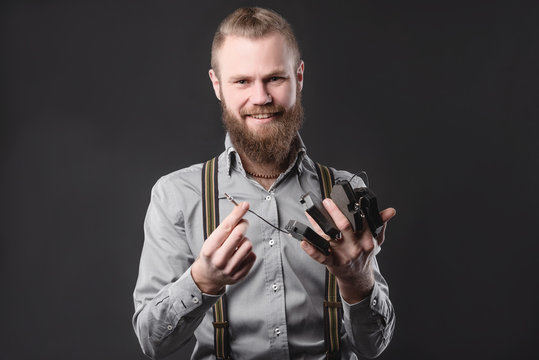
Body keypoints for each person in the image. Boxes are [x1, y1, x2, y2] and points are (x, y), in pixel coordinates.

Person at [133, 7, 396, 360]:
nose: (260, 98)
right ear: (217, 85)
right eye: (242, 81)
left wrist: (357, 281)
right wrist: (202, 281)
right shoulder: (176, 196)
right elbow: (153, 342)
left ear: (298, 77)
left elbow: (373, 345)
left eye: (275, 78)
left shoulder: (343, 191)